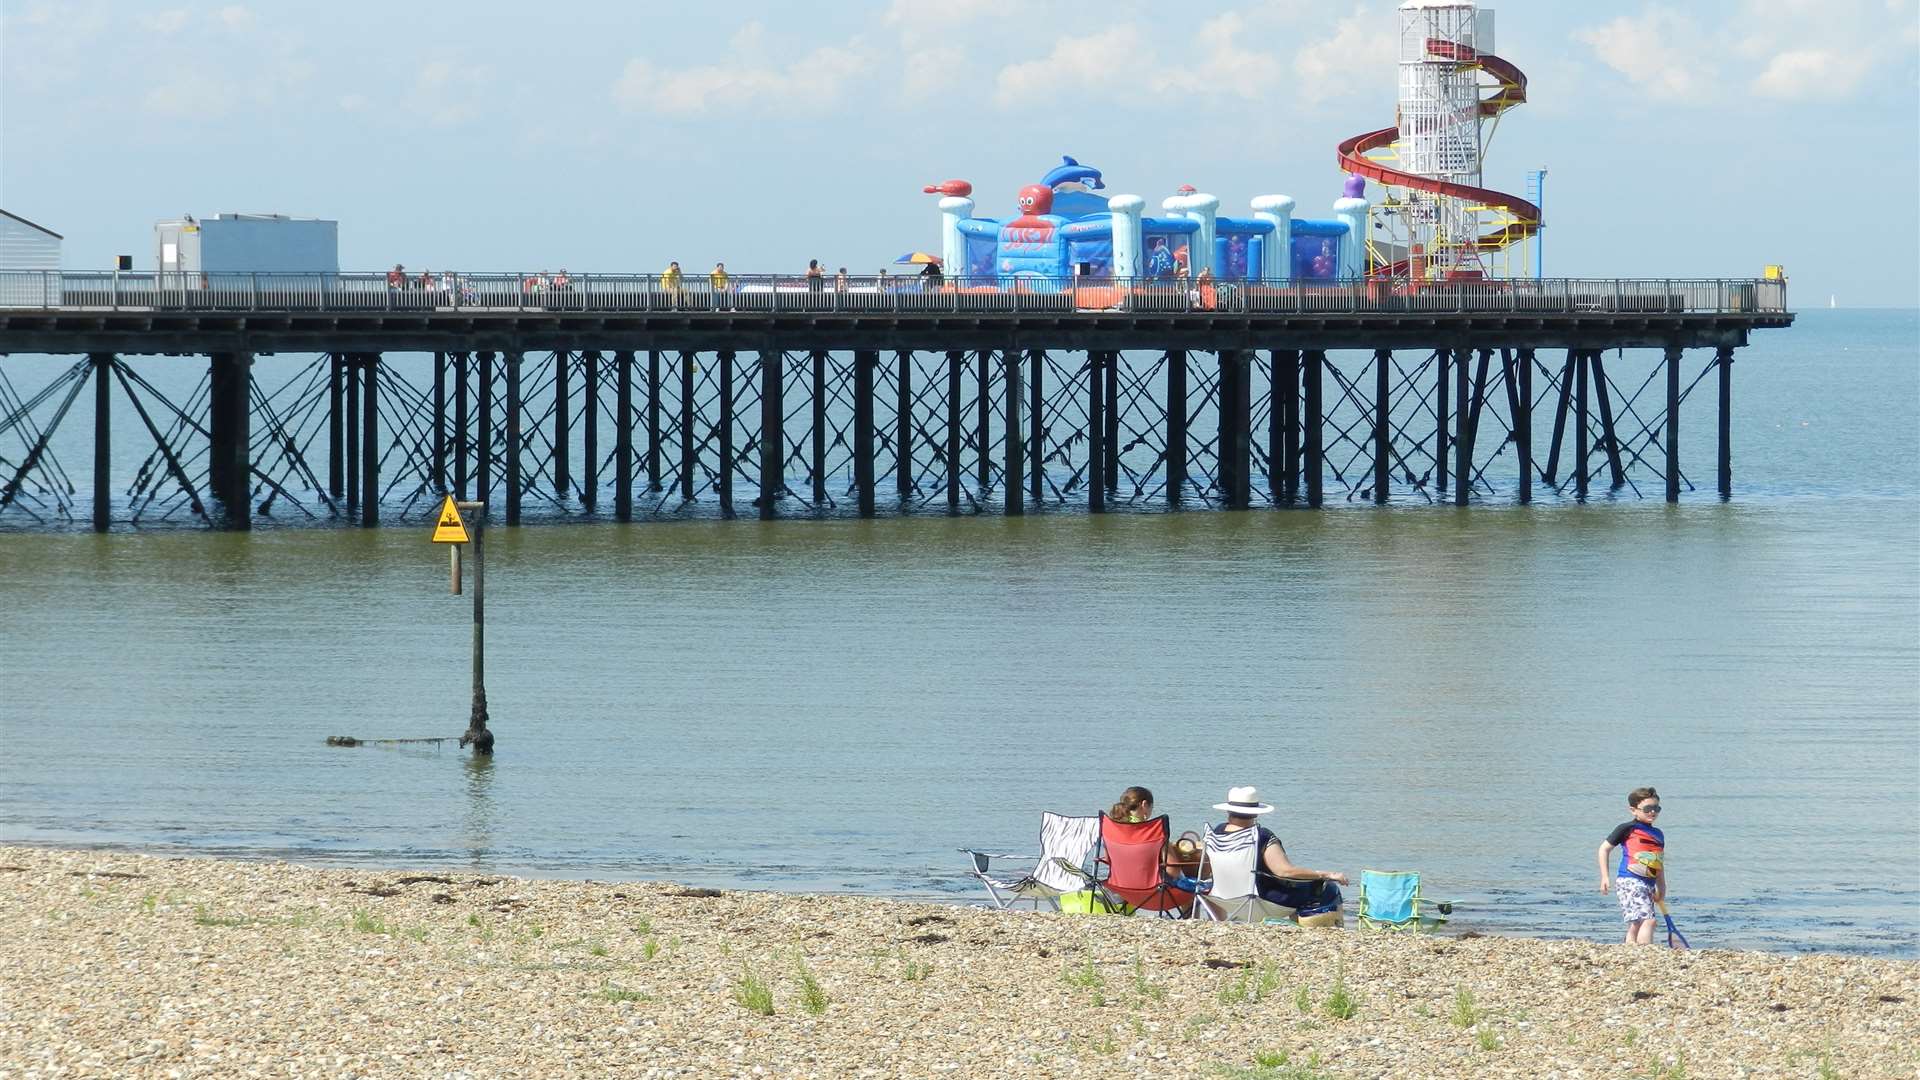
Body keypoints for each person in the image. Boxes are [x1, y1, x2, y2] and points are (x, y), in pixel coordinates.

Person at [1210, 786, 1347, 916]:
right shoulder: (1261, 836)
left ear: (1228, 811)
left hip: (1223, 898)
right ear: (1256, 812)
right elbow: (1284, 871)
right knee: (1326, 888)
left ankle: (1219, 922)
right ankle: (1314, 929)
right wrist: (1326, 874)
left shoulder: (1216, 833)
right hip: (1261, 901)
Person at [1597, 786, 1667, 945]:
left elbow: (1658, 863)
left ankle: (1630, 949)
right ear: (1633, 810)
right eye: (1648, 809)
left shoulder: (1659, 834)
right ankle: (1645, 952)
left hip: (1648, 883)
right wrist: (1605, 877)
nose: (1653, 812)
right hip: (1630, 881)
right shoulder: (1627, 829)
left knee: (1636, 923)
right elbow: (1604, 849)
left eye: (1656, 808)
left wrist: (1662, 887)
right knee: (1649, 921)